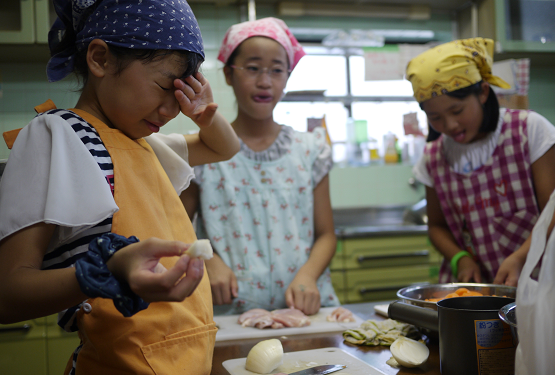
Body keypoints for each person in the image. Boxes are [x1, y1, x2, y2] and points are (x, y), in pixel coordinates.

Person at [0, 0, 239, 374]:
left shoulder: (147, 145)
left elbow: (225, 147)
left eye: (181, 94)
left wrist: (204, 112)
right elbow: (8, 293)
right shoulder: (58, 136)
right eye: (164, 86)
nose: (171, 109)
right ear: (100, 59)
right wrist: (105, 273)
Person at [181, 17, 340, 316]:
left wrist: (307, 276)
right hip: (229, 312)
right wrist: (209, 261)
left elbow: (327, 234)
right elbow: (177, 225)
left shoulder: (311, 150)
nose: (265, 81)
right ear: (229, 74)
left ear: (287, 77)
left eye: (277, 70)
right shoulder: (205, 149)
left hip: (304, 311)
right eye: (252, 68)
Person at [407, 38, 555, 286]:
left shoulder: (528, 131)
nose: (449, 125)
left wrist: (521, 257)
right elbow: (436, 226)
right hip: (475, 292)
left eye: (457, 111)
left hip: (539, 282)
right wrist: (460, 258)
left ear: (483, 92)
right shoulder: (433, 158)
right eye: (435, 117)